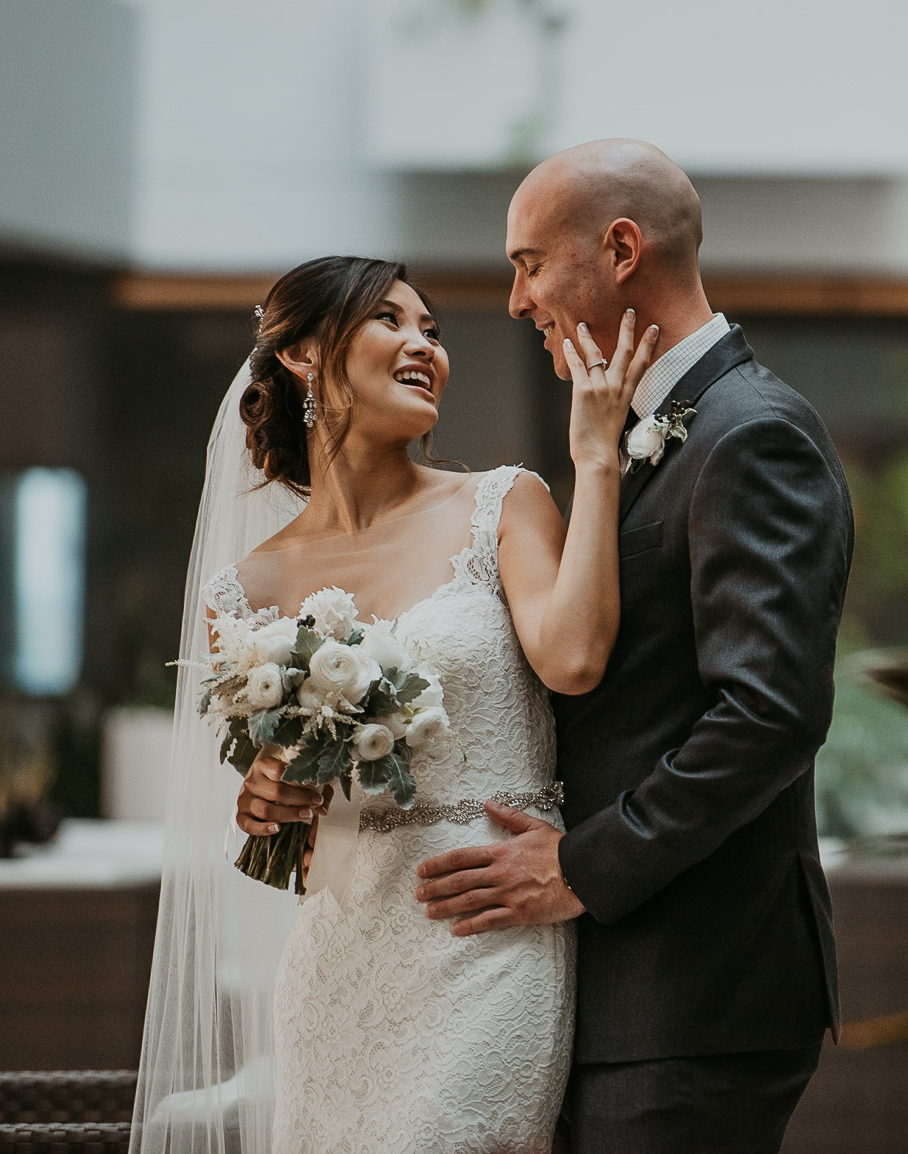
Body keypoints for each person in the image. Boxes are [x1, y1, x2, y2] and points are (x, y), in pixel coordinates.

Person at [133, 254, 655, 1154]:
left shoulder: (504, 504)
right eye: (392, 321)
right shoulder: (243, 591)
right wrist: (263, 803)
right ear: (301, 356)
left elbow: (573, 660)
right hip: (339, 957)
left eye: (432, 331)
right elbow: (280, 829)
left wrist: (595, 455)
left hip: (486, 933)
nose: (424, 346)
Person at [412, 139, 855, 1153]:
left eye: (530, 263)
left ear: (619, 249)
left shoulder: (753, 435)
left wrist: (581, 863)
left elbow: (771, 712)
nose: (518, 301)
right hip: (618, 995)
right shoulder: (638, 436)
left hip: (695, 990)